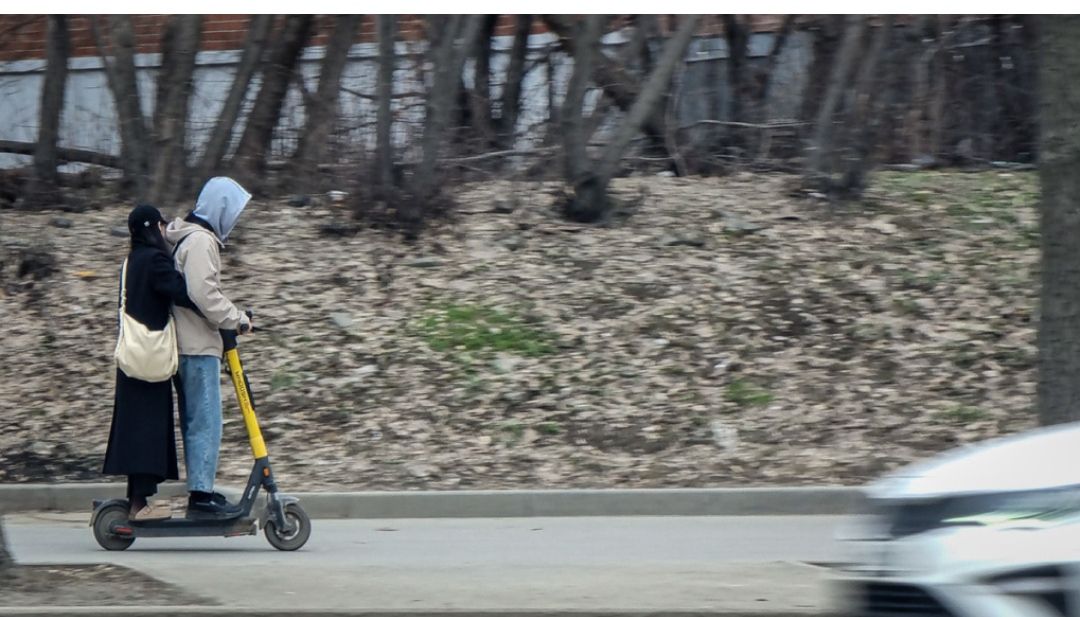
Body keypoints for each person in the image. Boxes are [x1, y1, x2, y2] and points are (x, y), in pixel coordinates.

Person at [103, 204, 200, 522]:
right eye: (161, 225)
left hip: (131, 355)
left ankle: (138, 499)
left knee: (135, 428)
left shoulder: (131, 261)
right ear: (152, 227)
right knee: (148, 429)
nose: (163, 231)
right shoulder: (156, 260)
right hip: (151, 356)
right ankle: (139, 505)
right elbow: (181, 292)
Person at [164, 177, 253, 518]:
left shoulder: (185, 236)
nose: (233, 219)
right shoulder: (201, 241)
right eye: (232, 210)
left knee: (197, 419)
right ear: (220, 208)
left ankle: (201, 490)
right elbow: (203, 294)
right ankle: (200, 496)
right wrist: (237, 318)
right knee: (206, 420)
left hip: (189, 342)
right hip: (197, 345)